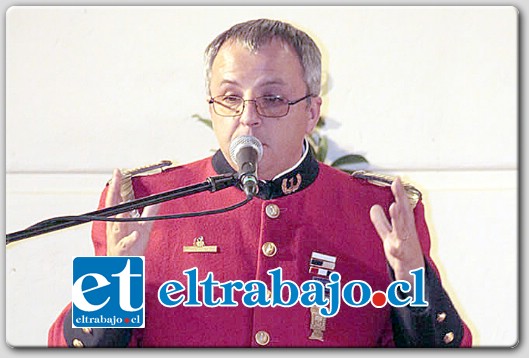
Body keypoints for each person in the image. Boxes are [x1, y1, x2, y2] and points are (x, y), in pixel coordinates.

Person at [48, 18, 472, 348]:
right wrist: (114, 279)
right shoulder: (142, 201)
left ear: (311, 111)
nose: (247, 117)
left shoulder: (378, 210)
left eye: (271, 99)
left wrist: (414, 282)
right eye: (230, 98)